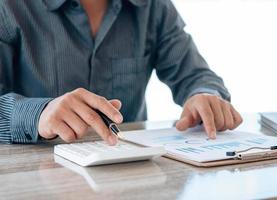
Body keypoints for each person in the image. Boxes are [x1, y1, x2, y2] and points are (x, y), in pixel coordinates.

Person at [0, 0, 242, 145]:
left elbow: (195, 75)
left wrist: (204, 95)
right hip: (35, 173)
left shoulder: (152, 6)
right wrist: (39, 114)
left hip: (129, 168)